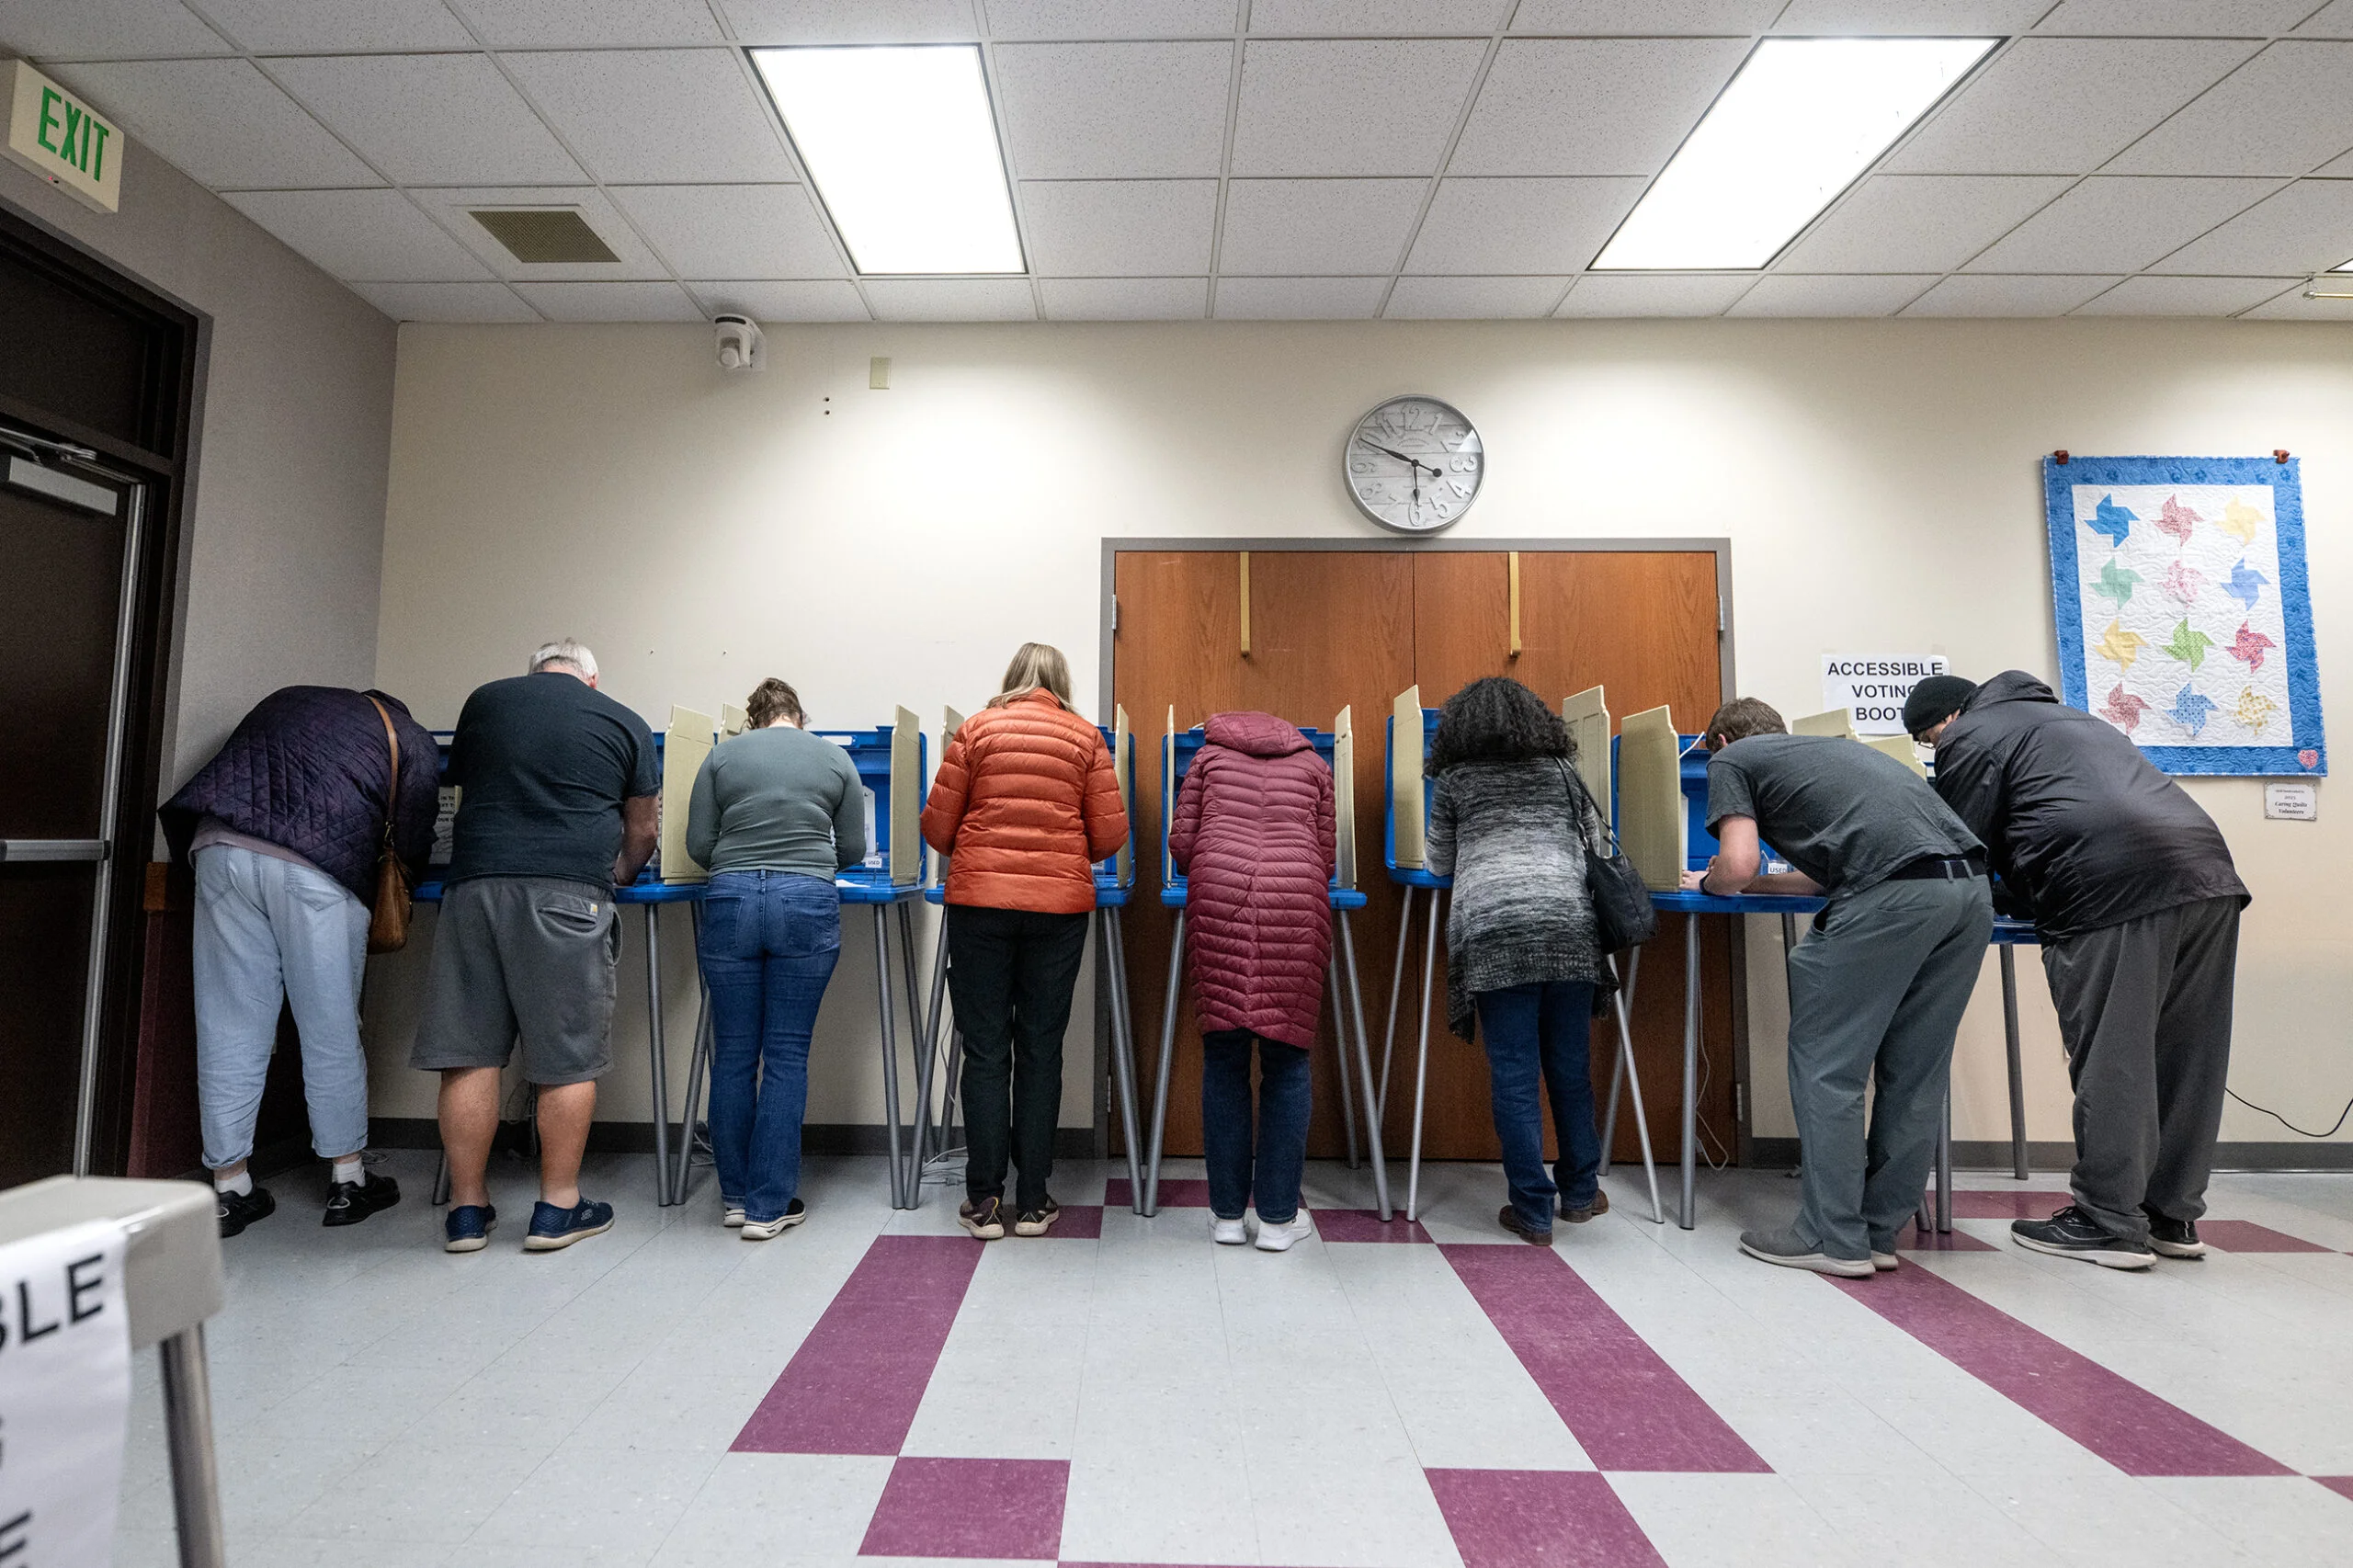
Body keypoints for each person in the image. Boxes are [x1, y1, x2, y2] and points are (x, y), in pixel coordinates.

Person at [1906, 672, 2248, 1270]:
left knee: (2115, 1054)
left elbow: (1956, 846)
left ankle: (2109, 1220)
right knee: (2188, 1056)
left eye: (1931, 741)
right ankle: (2171, 1214)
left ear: (1950, 720)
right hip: (2208, 876)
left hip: (2112, 888)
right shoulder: (2077, 722)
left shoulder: (1972, 734)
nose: (1937, 752)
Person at [1686, 697, 1992, 1278]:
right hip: (1968, 894)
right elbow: (1822, 873)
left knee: (1828, 1066)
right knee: (1916, 1073)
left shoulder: (1735, 759)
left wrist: (1710, 880)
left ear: (1721, 742)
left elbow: (1739, 863)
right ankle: (1878, 1234)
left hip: (1893, 899)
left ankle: (1831, 1237)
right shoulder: (1840, 753)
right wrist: (1750, 885)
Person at [161, 686, 438, 1236]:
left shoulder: (287, 701)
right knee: (329, 1026)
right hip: (317, 867)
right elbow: (411, 835)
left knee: (229, 1024)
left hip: (218, 848)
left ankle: (230, 1188)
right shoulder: (407, 737)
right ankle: (347, 1181)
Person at [410, 639, 657, 1254]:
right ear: (591, 680)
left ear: (535, 672)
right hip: (569, 893)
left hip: (474, 889)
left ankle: (467, 1212)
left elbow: (461, 786)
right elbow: (643, 827)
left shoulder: (485, 703)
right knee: (566, 1058)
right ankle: (558, 1207)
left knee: (468, 1052)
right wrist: (620, 874)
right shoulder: (623, 720)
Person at [921, 642, 1126, 1241]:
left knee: (985, 1051)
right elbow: (1111, 835)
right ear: (1061, 683)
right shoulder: (1085, 738)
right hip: (1057, 912)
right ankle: (1034, 1203)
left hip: (979, 905)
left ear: (1012, 678)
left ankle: (984, 1201)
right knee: (1041, 1050)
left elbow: (937, 827)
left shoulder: (976, 731)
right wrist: (1061, 854)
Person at [1425, 677, 1613, 1246]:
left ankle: (1532, 1209)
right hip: (1568, 927)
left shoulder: (1456, 781)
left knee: (1513, 1075)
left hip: (1496, 933)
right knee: (1570, 1067)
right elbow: (1599, 845)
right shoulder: (1560, 771)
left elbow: (1438, 863)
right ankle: (1580, 1194)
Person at [684, 677, 863, 1239]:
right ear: (798, 716)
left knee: (734, 1054)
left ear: (752, 718)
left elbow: (697, 844)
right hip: (806, 899)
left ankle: (735, 1197)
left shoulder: (721, 756)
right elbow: (852, 850)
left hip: (732, 897)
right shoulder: (834, 759)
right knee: (787, 1055)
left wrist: (743, 862)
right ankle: (768, 1207)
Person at [1169, 710, 1336, 1253]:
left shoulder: (1208, 758)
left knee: (1224, 1058)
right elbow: (1327, 855)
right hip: (1295, 900)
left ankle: (1225, 1217)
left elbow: (1182, 843)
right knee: (1287, 1061)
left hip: (1220, 897)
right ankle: (1279, 1221)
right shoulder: (1314, 765)